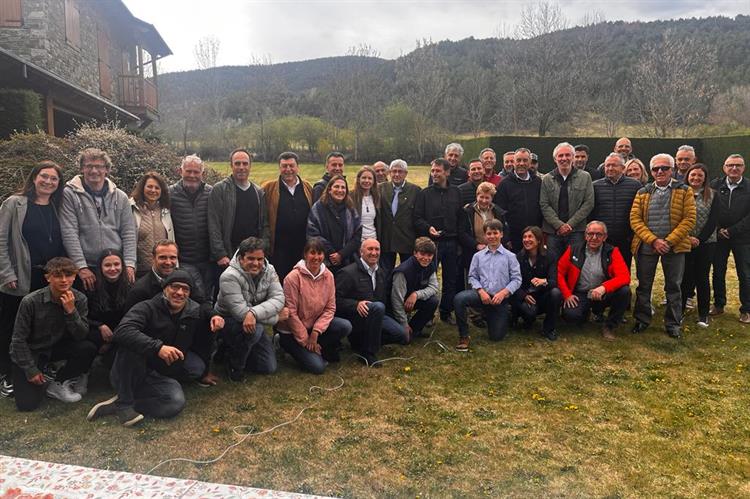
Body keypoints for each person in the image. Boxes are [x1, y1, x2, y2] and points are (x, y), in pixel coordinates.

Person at [88, 270, 224, 426]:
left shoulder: (195, 312)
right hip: (132, 367)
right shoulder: (146, 307)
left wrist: (205, 372)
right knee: (131, 344)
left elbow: (204, 343)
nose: (179, 292)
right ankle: (125, 401)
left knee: (175, 402)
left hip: (160, 372)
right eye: (174, 287)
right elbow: (122, 331)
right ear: (164, 288)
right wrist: (158, 347)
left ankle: (125, 403)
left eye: (185, 289)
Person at [0, 161, 67, 399]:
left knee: (42, 325)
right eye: (44, 176)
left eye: (54, 179)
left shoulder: (57, 206)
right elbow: (1, 240)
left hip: (48, 277)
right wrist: (7, 272)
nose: (48, 182)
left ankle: (40, 365)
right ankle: (6, 373)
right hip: (20, 276)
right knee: (12, 327)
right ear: (34, 177)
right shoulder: (15, 204)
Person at [123, 240, 219, 386]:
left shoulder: (184, 279)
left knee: (205, 326)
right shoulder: (140, 290)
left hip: (179, 337)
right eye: (162, 257)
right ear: (153, 258)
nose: (168, 262)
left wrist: (213, 315)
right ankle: (153, 376)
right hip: (152, 345)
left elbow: (201, 302)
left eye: (173, 257)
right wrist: (157, 347)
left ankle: (196, 371)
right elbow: (129, 325)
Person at [10, 257, 96, 411]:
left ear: (75, 276)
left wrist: (71, 311)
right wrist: (31, 370)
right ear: (48, 278)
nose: (64, 280)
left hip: (56, 347)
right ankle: (41, 373)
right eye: (57, 276)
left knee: (87, 347)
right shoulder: (30, 301)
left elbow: (81, 335)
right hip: (33, 350)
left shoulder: (80, 299)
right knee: (27, 405)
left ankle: (59, 381)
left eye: (68, 275)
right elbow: (18, 340)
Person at [630, 153, 696, 338]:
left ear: (672, 169)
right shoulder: (643, 192)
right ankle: (642, 320)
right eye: (656, 168)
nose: (660, 171)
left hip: (674, 247)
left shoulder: (684, 190)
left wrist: (668, 241)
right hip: (647, 246)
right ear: (651, 171)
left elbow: (689, 219)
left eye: (664, 168)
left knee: (674, 286)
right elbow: (635, 220)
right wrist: (653, 240)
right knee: (644, 285)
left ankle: (673, 324)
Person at [60, 148, 136, 291]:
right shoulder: (69, 194)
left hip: (115, 266)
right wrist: (80, 266)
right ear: (82, 168)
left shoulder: (120, 197)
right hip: (88, 267)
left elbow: (129, 233)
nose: (94, 171)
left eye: (99, 166)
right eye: (89, 166)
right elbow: (69, 232)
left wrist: (130, 263)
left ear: (106, 170)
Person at [215, 237, 285, 382]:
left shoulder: (270, 270)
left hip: (253, 320)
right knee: (256, 330)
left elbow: (278, 298)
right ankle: (234, 365)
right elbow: (241, 314)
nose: (256, 263)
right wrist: (277, 318)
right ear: (241, 258)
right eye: (251, 258)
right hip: (227, 321)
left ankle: (228, 349)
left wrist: (253, 312)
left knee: (268, 367)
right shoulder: (228, 276)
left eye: (260, 259)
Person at [277, 238, 351, 374]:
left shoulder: (329, 276)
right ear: (305, 255)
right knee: (318, 367)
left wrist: (316, 332)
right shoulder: (292, 278)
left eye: (320, 253)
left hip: (314, 328)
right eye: (312, 253)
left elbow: (330, 308)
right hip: (293, 331)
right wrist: (305, 340)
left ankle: (318, 347)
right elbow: (291, 313)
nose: (316, 257)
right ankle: (283, 344)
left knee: (345, 326)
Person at [335, 239, 408, 366]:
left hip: (377, 316)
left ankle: (365, 342)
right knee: (378, 307)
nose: (374, 253)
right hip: (356, 319)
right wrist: (355, 304)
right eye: (370, 249)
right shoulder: (348, 273)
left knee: (401, 336)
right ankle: (367, 353)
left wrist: (402, 321)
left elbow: (386, 298)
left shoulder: (382, 272)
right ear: (361, 252)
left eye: (377, 249)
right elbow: (334, 300)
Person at [453, 219, 521, 351]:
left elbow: (517, 279)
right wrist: (480, 291)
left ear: (501, 234)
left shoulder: (510, 257)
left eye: (495, 233)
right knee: (459, 299)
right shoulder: (478, 256)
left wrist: (503, 293)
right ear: (485, 236)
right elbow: (472, 276)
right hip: (482, 296)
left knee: (496, 337)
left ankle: (495, 315)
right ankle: (464, 335)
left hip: (499, 299)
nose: (492, 237)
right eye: (489, 234)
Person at [558, 221, 631, 341]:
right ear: (585, 235)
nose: (594, 238)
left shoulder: (612, 251)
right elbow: (559, 273)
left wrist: (603, 288)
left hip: (603, 294)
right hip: (580, 293)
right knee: (571, 317)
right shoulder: (573, 249)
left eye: (599, 234)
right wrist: (567, 295)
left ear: (605, 237)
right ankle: (586, 313)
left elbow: (625, 277)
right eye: (590, 234)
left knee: (625, 291)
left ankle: (609, 326)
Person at [414, 158, 463, 325]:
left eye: (438, 171)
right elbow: (417, 218)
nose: (434, 174)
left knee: (450, 278)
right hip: (431, 244)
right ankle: (427, 313)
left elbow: (461, 218)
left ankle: (446, 311)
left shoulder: (456, 192)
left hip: (451, 242)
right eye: (433, 171)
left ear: (447, 172)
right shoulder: (424, 194)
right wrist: (428, 228)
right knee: (427, 279)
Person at [208, 148, 270, 278]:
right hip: (228, 257)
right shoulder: (220, 190)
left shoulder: (258, 192)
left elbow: (264, 224)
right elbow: (214, 224)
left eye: (245, 163)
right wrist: (220, 254)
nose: (241, 167)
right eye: (237, 163)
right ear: (231, 165)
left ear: (250, 166)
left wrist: (262, 251)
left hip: (252, 259)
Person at [710, 154, 750, 323]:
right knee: (718, 271)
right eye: (730, 165)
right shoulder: (715, 185)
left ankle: (746, 309)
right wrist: (719, 229)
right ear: (724, 167)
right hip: (719, 237)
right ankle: (719, 304)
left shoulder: (749, 187)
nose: (734, 168)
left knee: (745, 273)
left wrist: (732, 230)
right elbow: (709, 209)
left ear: (744, 168)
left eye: (738, 165)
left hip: (743, 237)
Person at [169, 154, 216, 298]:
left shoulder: (211, 192)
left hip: (208, 258)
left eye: (196, 172)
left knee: (209, 294)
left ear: (203, 173)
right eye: (188, 171)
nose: (192, 175)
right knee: (196, 294)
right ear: (180, 171)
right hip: (184, 259)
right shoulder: (170, 193)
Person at [262, 151, 313, 281]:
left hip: (303, 247)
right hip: (279, 249)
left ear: (298, 167)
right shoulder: (269, 188)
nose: (288, 169)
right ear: (279, 168)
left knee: (302, 281)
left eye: (291, 165)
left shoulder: (307, 187)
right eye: (284, 166)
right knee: (281, 281)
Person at [539, 142, 595, 259]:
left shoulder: (585, 177)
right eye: (560, 156)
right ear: (555, 159)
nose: (564, 158)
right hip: (553, 232)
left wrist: (570, 225)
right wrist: (559, 225)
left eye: (567, 155)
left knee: (575, 264)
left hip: (576, 231)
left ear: (573, 157)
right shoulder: (547, 179)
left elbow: (588, 203)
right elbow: (544, 205)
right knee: (554, 264)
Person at [680, 164, 719, 327]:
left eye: (700, 176)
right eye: (693, 175)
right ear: (688, 176)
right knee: (684, 278)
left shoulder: (713, 195)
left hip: (706, 243)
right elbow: (676, 217)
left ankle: (703, 314)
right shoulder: (680, 193)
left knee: (702, 277)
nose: (696, 178)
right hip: (684, 241)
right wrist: (687, 237)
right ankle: (679, 311)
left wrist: (700, 239)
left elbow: (713, 220)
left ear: (705, 178)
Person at [590, 153, 642, 269]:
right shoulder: (595, 186)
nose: (609, 168)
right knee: (602, 270)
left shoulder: (635, 185)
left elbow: (639, 211)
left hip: (625, 238)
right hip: (602, 238)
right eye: (607, 166)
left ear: (623, 168)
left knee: (623, 269)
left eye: (614, 165)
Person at [511, 226, 562, 341]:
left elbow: (554, 281)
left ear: (539, 240)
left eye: (530, 237)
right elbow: (513, 282)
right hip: (525, 296)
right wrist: (524, 296)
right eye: (524, 237)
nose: (526, 240)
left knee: (556, 293)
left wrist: (544, 281)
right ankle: (524, 319)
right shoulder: (518, 257)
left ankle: (549, 328)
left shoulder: (550, 256)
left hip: (543, 296)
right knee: (529, 313)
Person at [307, 175, 362, 274]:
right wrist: (332, 254)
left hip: (348, 261)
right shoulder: (318, 208)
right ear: (329, 189)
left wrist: (342, 254)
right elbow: (313, 234)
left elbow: (358, 234)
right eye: (336, 187)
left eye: (343, 187)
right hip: (324, 261)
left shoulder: (351, 209)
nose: (340, 190)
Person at [389, 237, 439, 341]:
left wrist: (416, 294)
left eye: (429, 255)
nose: (426, 258)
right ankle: (404, 328)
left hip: (411, 300)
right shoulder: (402, 272)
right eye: (422, 254)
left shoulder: (430, 265)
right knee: (402, 338)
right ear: (415, 253)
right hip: (392, 307)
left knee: (433, 301)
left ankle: (415, 330)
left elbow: (434, 287)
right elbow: (396, 300)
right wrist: (404, 324)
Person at [494, 148, 543, 252]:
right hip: (513, 238)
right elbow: (500, 212)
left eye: (525, 160)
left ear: (530, 163)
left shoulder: (538, 182)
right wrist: (506, 238)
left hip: (535, 236)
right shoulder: (504, 184)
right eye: (518, 160)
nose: (521, 163)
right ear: (514, 162)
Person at [85, 249, 131, 361]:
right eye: (107, 265)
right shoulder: (91, 286)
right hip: (98, 331)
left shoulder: (130, 286)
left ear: (122, 266)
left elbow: (131, 317)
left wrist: (113, 340)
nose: (113, 269)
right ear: (100, 267)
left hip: (122, 330)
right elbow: (84, 316)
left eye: (116, 264)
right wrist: (100, 325)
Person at [378, 159, 421, 271]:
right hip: (386, 238)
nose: (397, 174)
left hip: (407, 237)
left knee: (407, 270)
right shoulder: (381, 188)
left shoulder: (415, 190)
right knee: (385, 271)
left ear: (405, 173)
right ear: (389, 172)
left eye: (400, 171)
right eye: (394, 171)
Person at [129, 171, 174, 278]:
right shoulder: (131, 208)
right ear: (142, 188)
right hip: (139, 271)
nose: (153, 190)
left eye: (157, 188)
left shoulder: (166, 209)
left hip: (163, 269)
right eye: (149, 186)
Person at [351, 166, 381, 242]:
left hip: (373, 239)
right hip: (357, 241)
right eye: (364, 178)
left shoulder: (377, 197)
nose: (367, 181)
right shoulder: (351, 196)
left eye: (370, 178)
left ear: (374, 181)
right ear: (358, 179)